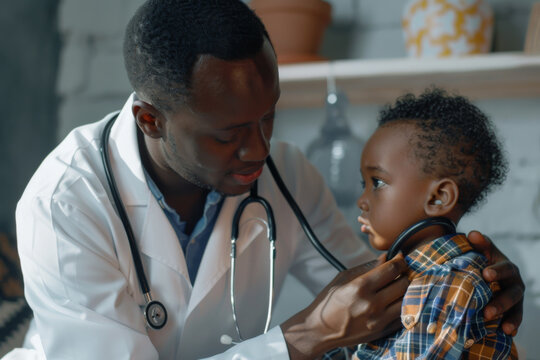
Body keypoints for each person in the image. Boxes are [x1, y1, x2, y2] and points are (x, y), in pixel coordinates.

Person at [9, 1, 524, 359]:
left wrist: (473, 279)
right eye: (228, 133)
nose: (259, 149)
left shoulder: (287, 175)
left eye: (268, 117)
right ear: (152, 120)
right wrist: (306, 336)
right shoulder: (67, 202)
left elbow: (380, 293)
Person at [324, 88, 519, 359]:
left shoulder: (454, 283)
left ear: (439, 197)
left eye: (377, 183)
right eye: (363, 184)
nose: (361, 200)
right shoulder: (411, 278)